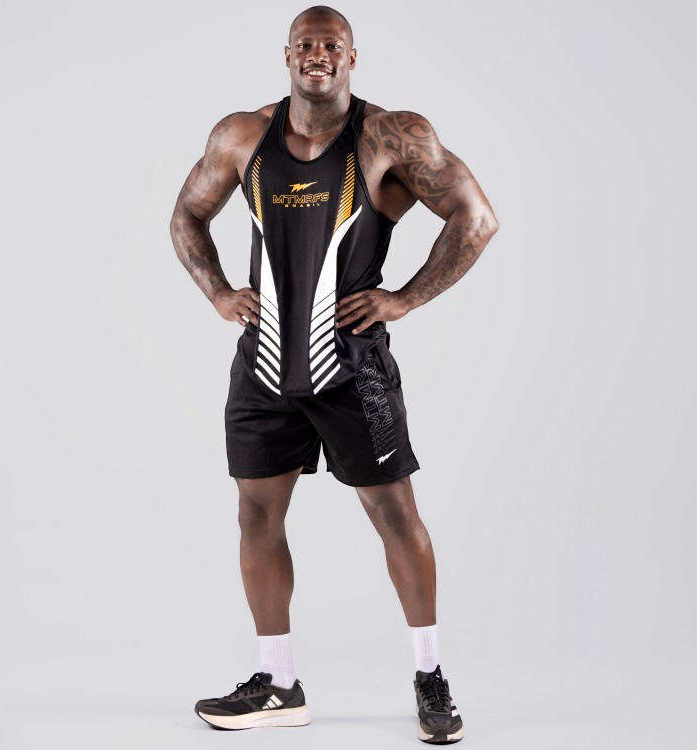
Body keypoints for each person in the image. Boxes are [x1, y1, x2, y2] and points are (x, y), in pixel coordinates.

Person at [169, 5, 499, 744]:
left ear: (352, 56)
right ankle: (278, 683)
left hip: (354, 367)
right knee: (256, 516)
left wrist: (404, 298)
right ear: (287, 54)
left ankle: (430, 676)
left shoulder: (390, 136)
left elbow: (475, 218)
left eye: (332, 45)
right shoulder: (242, 135)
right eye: (306, 45)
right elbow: (186, 216)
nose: (317, 54)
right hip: (263, 365)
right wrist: (219, 293)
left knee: (394, 515)